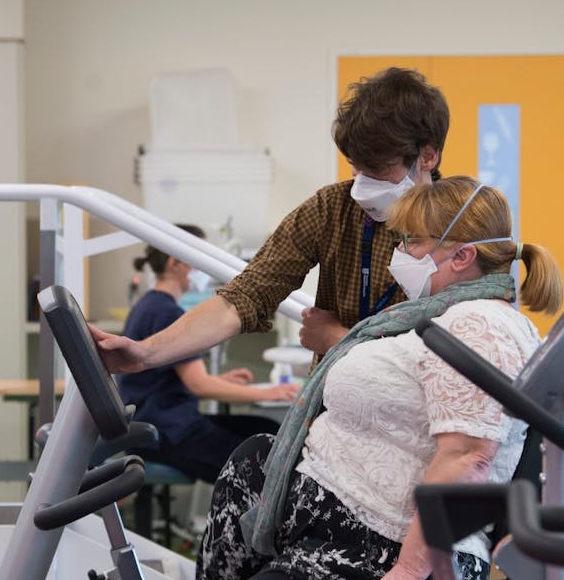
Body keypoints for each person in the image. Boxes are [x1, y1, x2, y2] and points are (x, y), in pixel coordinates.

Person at [163, 177, 564, 580]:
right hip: (342, 537)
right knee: (256, 458)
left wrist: (404, 575)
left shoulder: (480, 326)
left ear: (463, 255)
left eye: (414, 244)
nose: (401, 255)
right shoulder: (440, 316)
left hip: (375, 555)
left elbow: (468, 455)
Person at [90, 66, 451, 374]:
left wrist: (334, 339)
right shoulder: (333, 209)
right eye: (358, 167)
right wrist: (146, 353)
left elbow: (454, 360)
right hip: (336, 414)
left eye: (379, 168)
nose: (364, 184)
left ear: (427, 156)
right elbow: (243, 297)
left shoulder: (465, 228)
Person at [118, 225, 301, 490]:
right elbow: (198, 385)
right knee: (261, 465)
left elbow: (168, 378)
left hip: (162, 425)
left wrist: (221, 380)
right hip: (167, 433)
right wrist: (270, 393)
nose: (202, 268)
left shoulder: (149, 305)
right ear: (176, 263)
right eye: (198, 258)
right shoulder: (166, 313)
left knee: (262, 428)